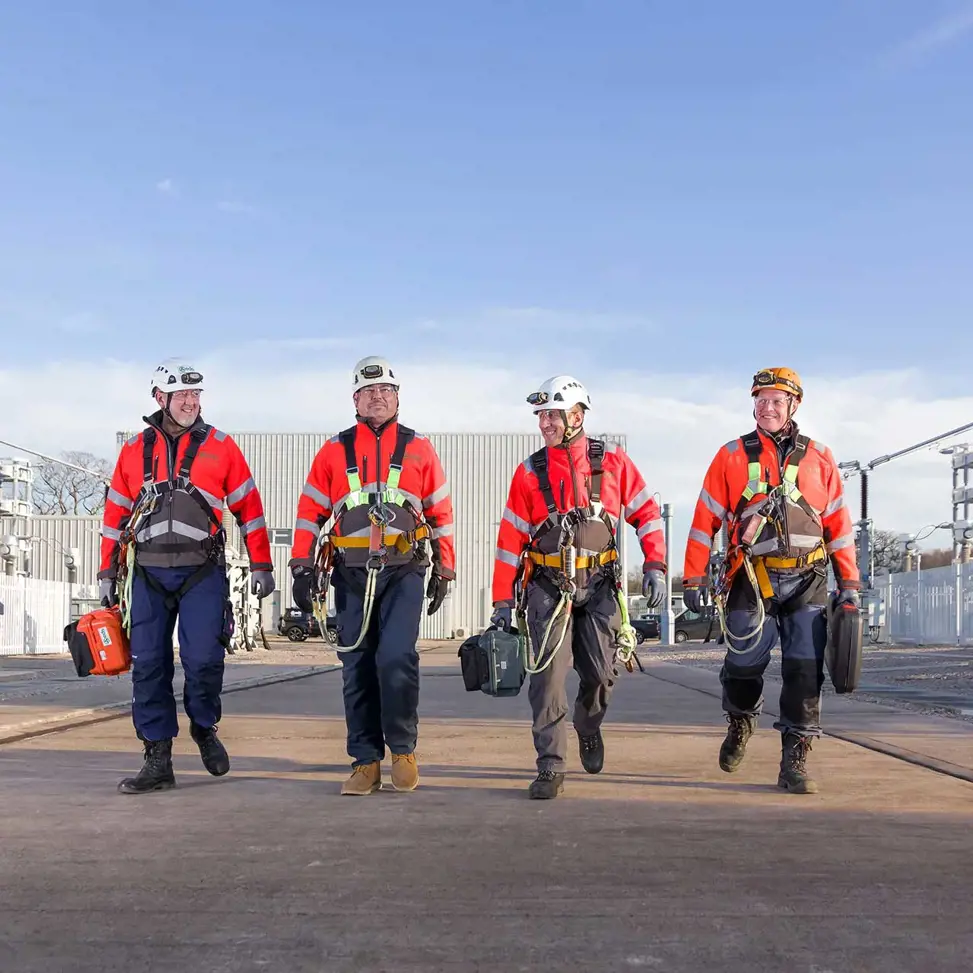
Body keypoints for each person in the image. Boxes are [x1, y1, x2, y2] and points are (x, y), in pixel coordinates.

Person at [99, 358, 275, 794]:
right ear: (159, 398)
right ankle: (157, 758)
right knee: (149, 667)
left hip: (203, 571)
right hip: (148, 575)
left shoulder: (222, 447)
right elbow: (113, 518)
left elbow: (249, 510)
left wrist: (262, 564)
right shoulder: (133, 451)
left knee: (203, 660)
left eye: (196, 395)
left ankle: (203, 726)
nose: (191, 403)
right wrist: (106, 571)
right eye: (181, 395)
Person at [682, 367, 860, 794]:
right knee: (743, 666)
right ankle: (741, 722)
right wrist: (692, 577)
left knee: (805, 672)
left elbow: (838, 524)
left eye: (777, 400)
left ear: (794, 406)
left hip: (809, 580)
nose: (767, 407)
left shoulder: (820, 457)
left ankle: (794, 760)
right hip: (750, 578)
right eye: (761, 400)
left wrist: (849, 585)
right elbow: (703, 519)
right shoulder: (730, 455)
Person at [490, 375, 667, 799]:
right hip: (547, 587)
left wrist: (656, 565)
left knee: (602, 675)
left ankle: (588, 725)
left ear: (576, 416)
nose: (545, 423)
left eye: (553, 415)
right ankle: (550, 765)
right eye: (542, 416)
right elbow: (510, 539)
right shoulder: (529, 472)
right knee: (547, 680)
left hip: (601, 584)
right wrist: (500, 600)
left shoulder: (614, 462)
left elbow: (647, 513)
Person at [289, 355, 455, 796]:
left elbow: (440, 512)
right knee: (356, 666)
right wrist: (302, 565)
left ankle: (402, 750)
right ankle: (365, 762)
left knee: (396, 657)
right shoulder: (333, 450)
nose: (377, 396)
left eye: (385, 389)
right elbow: (310, 512)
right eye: (368, 391)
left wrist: (446, 565)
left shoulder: (420, 448)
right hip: (349, 573)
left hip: (404, 571)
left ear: (398, 397)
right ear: (355, 400)